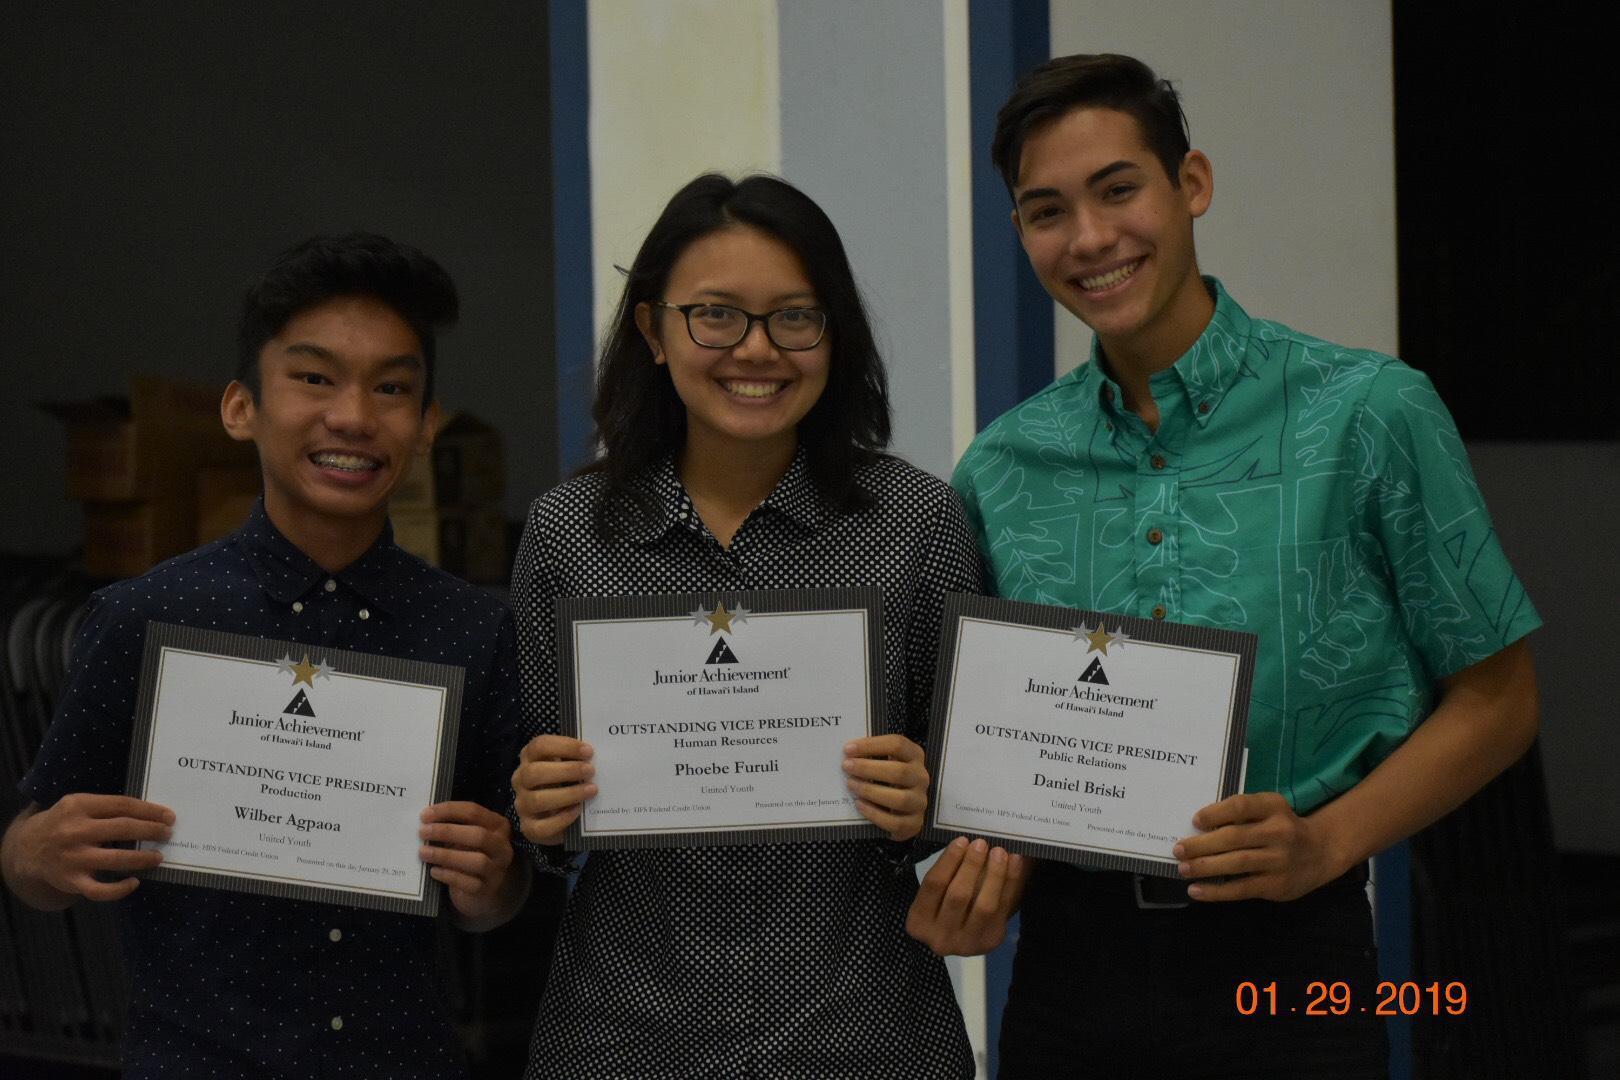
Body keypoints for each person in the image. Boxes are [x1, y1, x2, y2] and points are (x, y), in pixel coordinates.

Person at [905, 54, 1541, 1078]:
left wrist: (1329, 845)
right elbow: (997, 743)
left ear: (1190, 184)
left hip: (1292, 954)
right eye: (1046, 211)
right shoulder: (1000, 468)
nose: (1091, 239)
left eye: (1119, 189)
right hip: (1068, 975)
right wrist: (981, 874)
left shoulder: (1369, 413)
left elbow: (1499, 699)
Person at [1, 233, 530, 1078]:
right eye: (315, 378)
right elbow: (34, 856)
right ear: (241, 407)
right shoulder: (145, 617)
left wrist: (491, 883)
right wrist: (36, 854)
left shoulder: (473, 632)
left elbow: (498, 898)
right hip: (197, 1061)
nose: (354, 416)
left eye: (392, 387)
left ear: (427, 426)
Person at [510, 173, 979, 1078]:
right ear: (652, 330)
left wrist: (929, 804)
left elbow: (970, 799)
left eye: (795, 318)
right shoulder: (568, 533)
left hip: (862, 1034)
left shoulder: (916, 523)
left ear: (833, 335)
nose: (756, 350)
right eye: (715, 315)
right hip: (624, 1037)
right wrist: (537, 807)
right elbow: (535, 809)